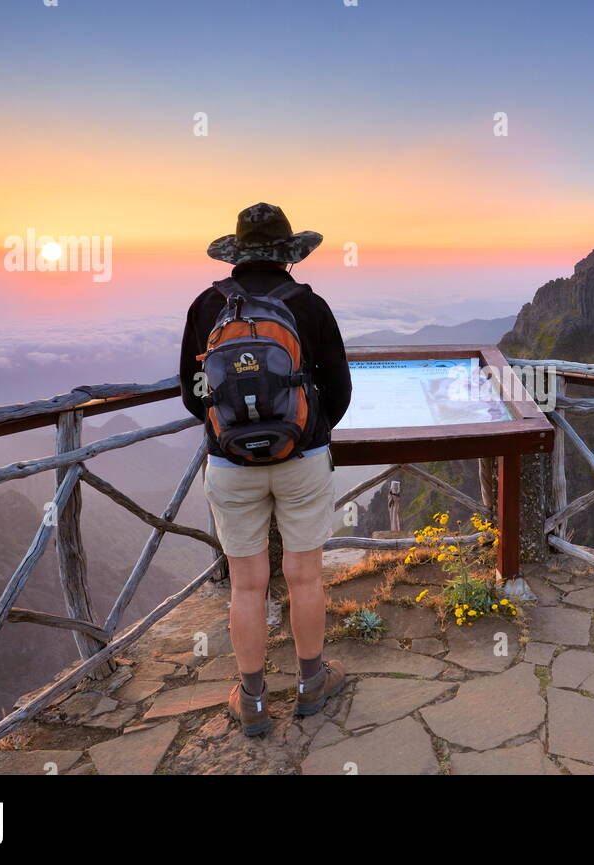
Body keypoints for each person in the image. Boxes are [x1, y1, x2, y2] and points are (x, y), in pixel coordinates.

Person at [179, 202, 352, 736]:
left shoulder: (207, 306)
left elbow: (193, 393)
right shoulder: (309, 305)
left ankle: (252, 699)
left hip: (230, 464)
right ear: (289, 256)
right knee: (305, 577)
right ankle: (311, 682)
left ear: (237, 253)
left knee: (247, 586)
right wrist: (304, 431)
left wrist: (236, 430)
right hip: (301, 458)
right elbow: (340, 391)